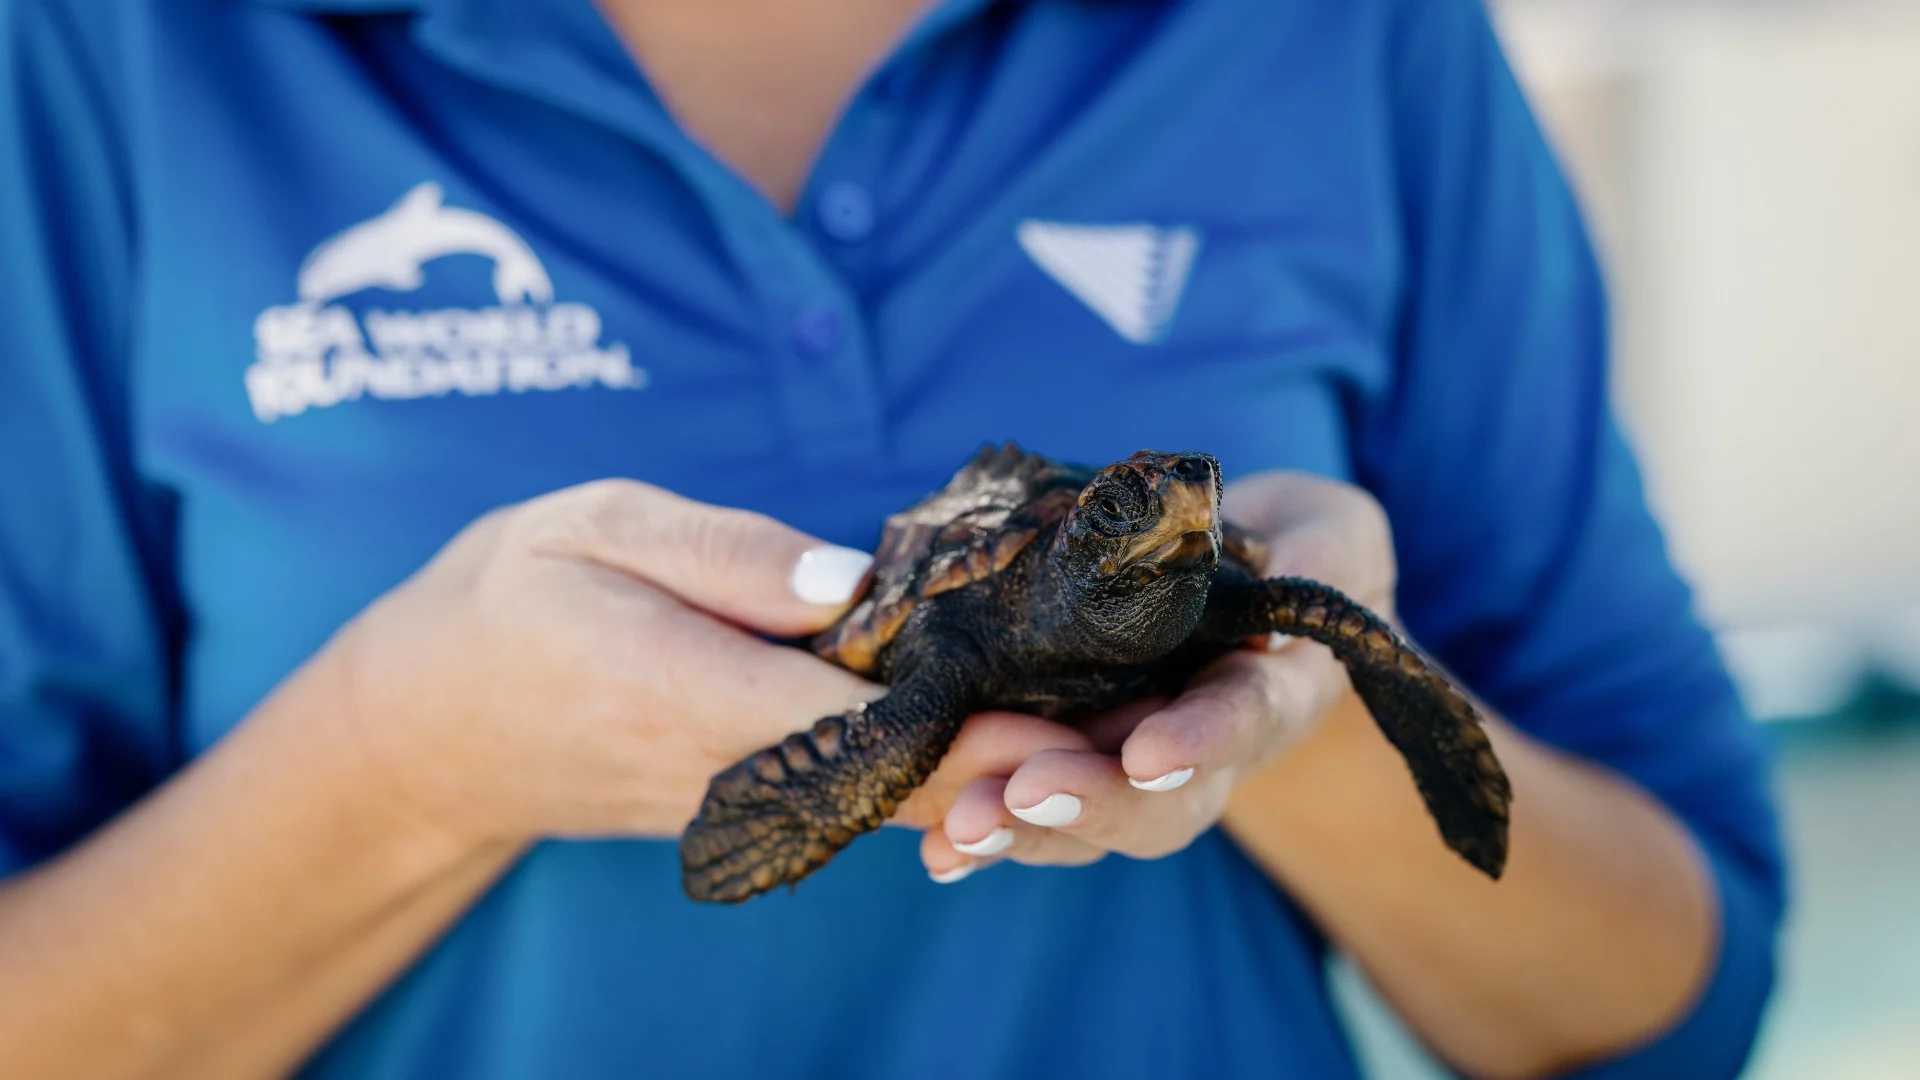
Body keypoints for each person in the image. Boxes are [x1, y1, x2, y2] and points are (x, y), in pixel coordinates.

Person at [0, 0, 1785, 1076]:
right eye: (1143, 514)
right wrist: (412, 762)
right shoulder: (98, 56)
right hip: (936, 611)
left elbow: (1678, 1006)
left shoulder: (1344, 36)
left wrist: (1279, 730)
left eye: (1184, 509)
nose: (1180, 521)